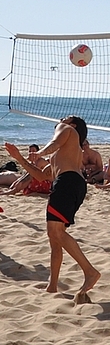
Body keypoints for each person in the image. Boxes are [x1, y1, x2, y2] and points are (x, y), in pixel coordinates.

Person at [4, 116, 100, 298]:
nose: (61, 119)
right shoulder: (66, 154)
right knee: (54, 238)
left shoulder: (68, 131)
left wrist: (40, 154)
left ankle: (90, 272)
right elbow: (40, 176)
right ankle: (52, 286)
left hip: (68, 183)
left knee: (56, 233)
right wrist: (19, 158)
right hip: (70, 184)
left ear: (72, 126)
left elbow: (54, 143)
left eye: (66, 119)